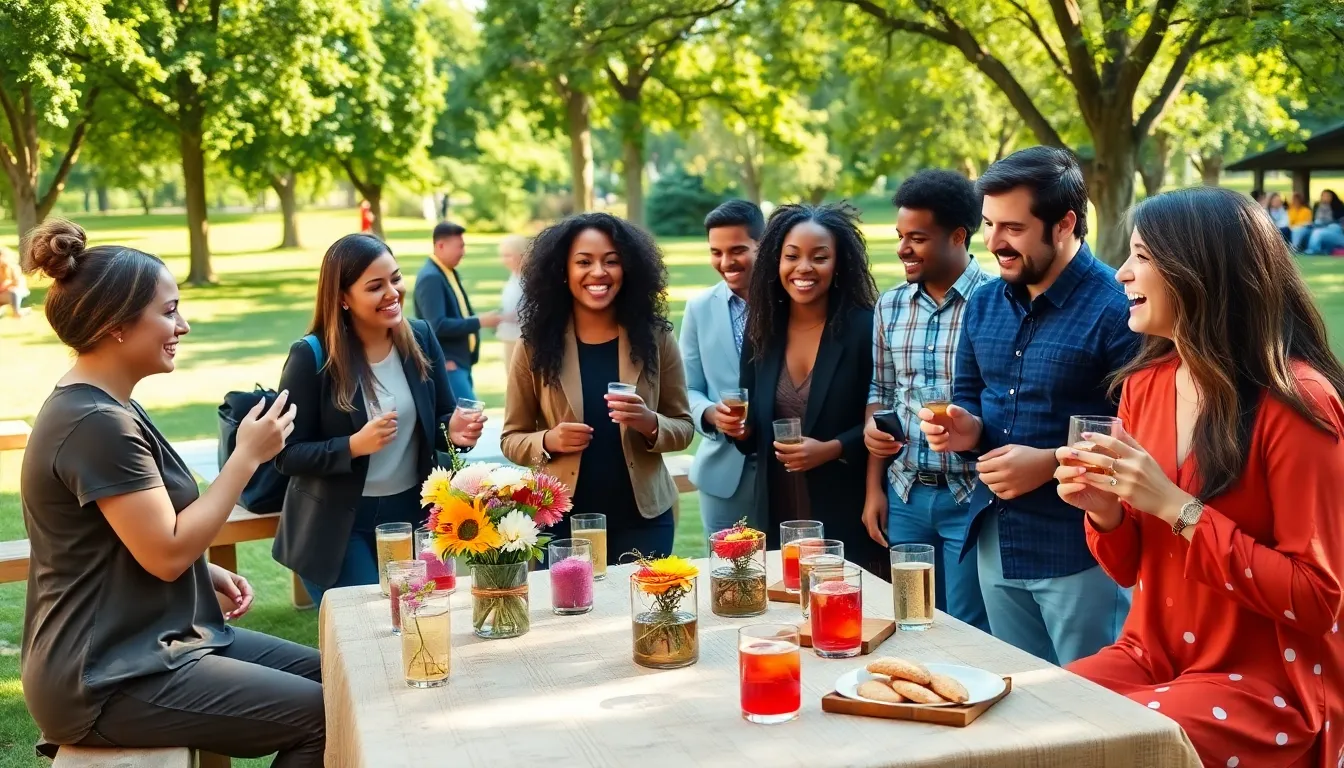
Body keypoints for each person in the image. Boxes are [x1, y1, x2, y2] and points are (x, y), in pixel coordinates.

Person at [18, 219, 324, 766]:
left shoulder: (110, 406)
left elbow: (122, 538)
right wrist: (247, 457)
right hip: (107, 676)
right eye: (168, 310)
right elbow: (165, 554)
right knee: (324, 715)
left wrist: (202, 573)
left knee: (341, 677)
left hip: (163, 642)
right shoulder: (95, 423)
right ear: (115, 325)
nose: (182, 325)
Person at [1058, 187, 1343, 768]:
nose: (1120, 273)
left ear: (1199, 272)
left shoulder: (1299, 402)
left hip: (1269, 684)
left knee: (1100, 749)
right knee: (1034, 716)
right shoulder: (1145, 385)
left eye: (1140, 256)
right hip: (1152, 652)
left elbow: (1318, 600)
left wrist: (1178, 507)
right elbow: (1130, 566)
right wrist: (1104, 511)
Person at [919, 146, 1140, 665]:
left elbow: (1140, 429)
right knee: (1022, 699)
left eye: (1012, 228)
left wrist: (1047, 464)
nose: (994, 243)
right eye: (989, 225)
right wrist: (965, 429)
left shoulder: (1118, 308)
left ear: (1064, 224)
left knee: (1093, 710)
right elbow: (970, 395)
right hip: (996, 536)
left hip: (1081, 547)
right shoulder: (985, 304)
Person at [275, 233, 484, 606]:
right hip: (339, 526)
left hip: (412, 513)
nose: (393, 292)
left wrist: (454, 430)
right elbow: (286, 454)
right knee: (370, 625)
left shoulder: (419, 336)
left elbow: (440, 420)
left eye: (396, 278)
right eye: (375, 286)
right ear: (342, 298)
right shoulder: (311, 356)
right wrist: (353, 446)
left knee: (420, 620)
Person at [501, 213, 693, 559]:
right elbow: (511, 438)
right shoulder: (534, 344)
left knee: (645, 612)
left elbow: (683, 427)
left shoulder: (657, 337)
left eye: (611, 261)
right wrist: (547, 440)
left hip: (644, 518)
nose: (599, 272)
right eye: (584, 262)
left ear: (628, 269)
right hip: (559, 521)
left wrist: (649, 422)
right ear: (563, 271)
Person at [862, 170, 991, 631]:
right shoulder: (890, 305)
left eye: (916, 238)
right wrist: (873, 486)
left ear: (958, 236)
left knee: (968, 628)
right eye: (900, 236)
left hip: (971, 496)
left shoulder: (997, 301)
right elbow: (880, 394)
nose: (902, 249)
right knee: (911, 621)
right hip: (905, 496)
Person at [730, 203, 882, 576]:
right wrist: (737, 426)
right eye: (792, 256)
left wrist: (832, 449)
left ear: (839, 264)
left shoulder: (864, 328)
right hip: (777, 504)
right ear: (775, 263)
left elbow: (885, 417)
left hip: (844, 503)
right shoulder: (761, 329)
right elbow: (750, 432)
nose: (803, 268)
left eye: (820, 257)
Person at [680, 199, 765, 534]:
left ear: (764, 245)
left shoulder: (793, 303)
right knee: (728, 579)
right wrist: (710, 415)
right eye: (716, 252)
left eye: (738, 250)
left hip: (789, 471)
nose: (726, 262)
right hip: (723, 477)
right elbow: (686, 389)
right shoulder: (699, 308)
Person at [414, 222, 500, 401]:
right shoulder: (431, 278)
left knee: (470, 421)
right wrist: (479, 322)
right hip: (449, 365)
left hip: (461, 362)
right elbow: (436, 325)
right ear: (440, 246)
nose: (463, 252)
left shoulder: (447, 272)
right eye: (459, 246)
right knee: (470, 421)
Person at [497, 234, 528, 368]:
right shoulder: (513, 277)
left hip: (523, 340)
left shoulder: (529, 281)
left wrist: (506, 317)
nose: (504, 260)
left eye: (508, 255)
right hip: (510, 336)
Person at [1292, 189, 1344, 253]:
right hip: (1316, 225)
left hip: (1332, 228)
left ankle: (1313, 250)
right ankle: (1294, 249)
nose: (1325, 198)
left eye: (1328, 196)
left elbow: (1339, 223)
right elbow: (1314, 221)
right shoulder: (1317, 206)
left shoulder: (1338, 206)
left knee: (1317, 232)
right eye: (1323, 196)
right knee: (1297, 229)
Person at [0, 245, 31, 317]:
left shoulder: (13, 268)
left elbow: (17, 283)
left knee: (14, 292)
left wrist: (6, 285)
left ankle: (16, 312)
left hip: (14, 293)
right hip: (3, 294)